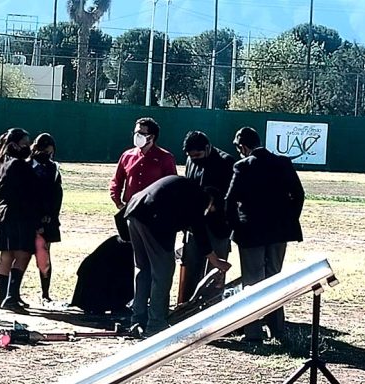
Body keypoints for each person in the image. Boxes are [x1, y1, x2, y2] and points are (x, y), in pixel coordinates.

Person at [225, 126, 305, 343]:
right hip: (280, 231)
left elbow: (230, 201)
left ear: (243, 146)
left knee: (253, 282)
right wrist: (289, 220)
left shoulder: (243, 166)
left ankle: (253, 333)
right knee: (275, 279)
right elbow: (298, 194)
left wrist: (235, 227)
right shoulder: (283, 162)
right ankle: (277, 330)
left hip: (251, 232)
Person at [124, 175, 231, 337]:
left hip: (134, 212)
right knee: (163, 273)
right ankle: (156, 324)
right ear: (212, 202)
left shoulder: (186, 189)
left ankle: (137, 320)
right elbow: (199, 231)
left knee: (143, 269)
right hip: (153, 219)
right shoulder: (200, 199)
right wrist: (216, 261)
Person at [178, 130, 236, 303]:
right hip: (194, 226)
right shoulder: (191, 160)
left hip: (218, 226)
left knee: (215, 271)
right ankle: (186, 308)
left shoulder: (227, 163)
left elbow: (231, 198)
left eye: (197, 155)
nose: (195, 159)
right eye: (191, 156)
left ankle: (211, 308)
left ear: (208, 147)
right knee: (191, 267)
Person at [0, 127, 38, 313]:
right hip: (18, 215)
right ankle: (11, 296)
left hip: (1, 213)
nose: (29, 147)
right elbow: (30, 190)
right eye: (25, 143)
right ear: (15, 144)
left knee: (6, 256)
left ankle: (2, 296)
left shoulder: (0, 163)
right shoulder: (19, 165)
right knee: (23, 254)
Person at [109, 117, 177, 209]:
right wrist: (118, 203)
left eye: (141, 133)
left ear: (151, 136)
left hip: (155, 209)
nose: (137, 136)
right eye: (135, 133)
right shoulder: (127, 155)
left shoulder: (165, 158)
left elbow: (172, 186)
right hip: (131, 207)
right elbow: (117, 181)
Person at [29, 133, 63, 304]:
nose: (47, 155)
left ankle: (45, 294)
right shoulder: (26, 166)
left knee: (44, 257)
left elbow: (57, 195)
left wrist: (50, 216)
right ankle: (11, 294)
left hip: (47, 219)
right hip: (27, 218)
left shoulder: (53, 169)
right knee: (19, 256)